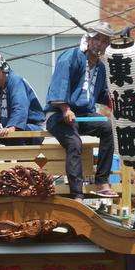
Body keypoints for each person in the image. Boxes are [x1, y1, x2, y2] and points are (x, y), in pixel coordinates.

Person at [45, 22, 117, 200]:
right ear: (89, 39)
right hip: (59, 115)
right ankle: (77, 193)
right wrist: (65, 108)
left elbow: (101, 95)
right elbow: (59, 85)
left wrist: (117, 102)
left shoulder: (100, 67)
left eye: (104, 41)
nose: (99, 43)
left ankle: (101, 182)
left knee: (107, 127)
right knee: (74, 143)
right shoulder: (71, 57)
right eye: (97, 39)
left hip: (83, 116)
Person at [0, 51, 45, 175]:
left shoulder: (15, 81)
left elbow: (20, 107)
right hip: (15, 131)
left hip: (32, 130)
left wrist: (13, 126)